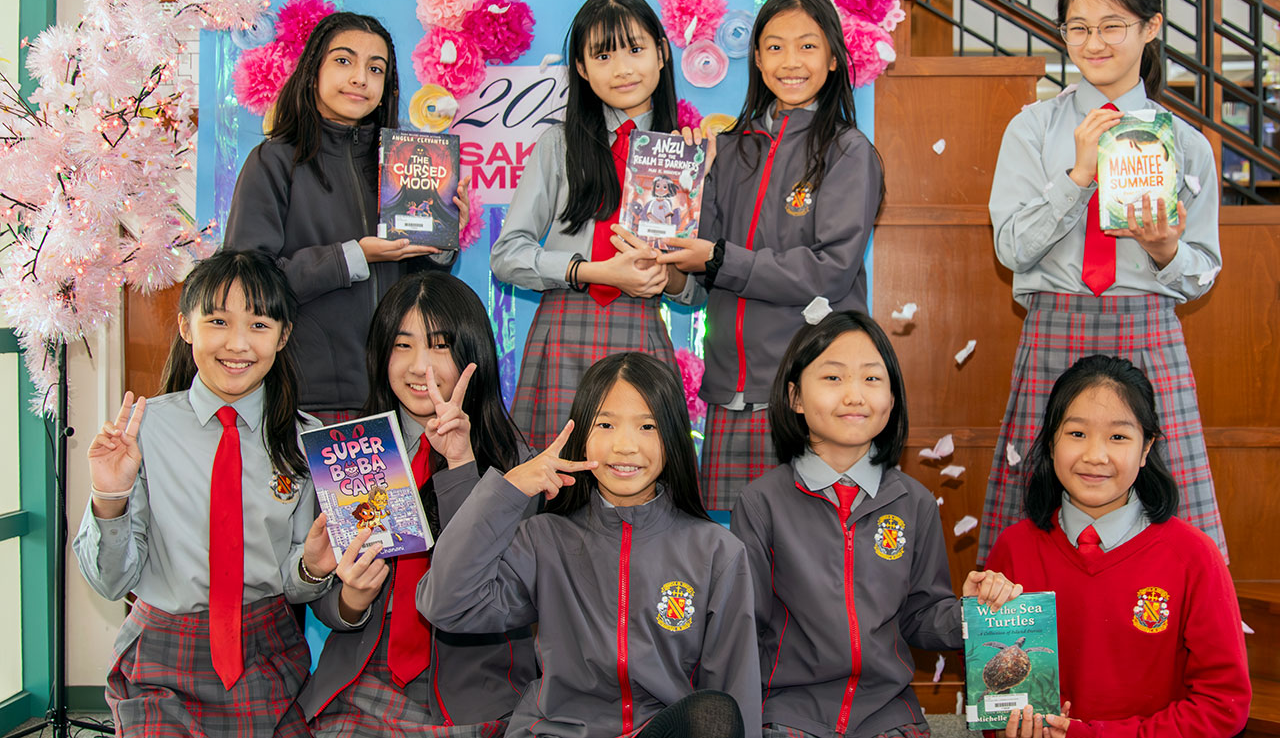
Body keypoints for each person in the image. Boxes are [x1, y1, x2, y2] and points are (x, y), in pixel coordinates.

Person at [981, 0, 1225, 563]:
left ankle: (1162, 644)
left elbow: (1202, 271)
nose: (1094, 41)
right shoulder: (1033, 129)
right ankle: (1027, 646)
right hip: (1054, 323)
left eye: (1113, 24)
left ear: (1151, 27)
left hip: (1146, 326)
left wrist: (1167, 250)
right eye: (1079, 26)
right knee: (1037, 505)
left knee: (1168, 507)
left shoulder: (1187, 145)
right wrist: (1077, 177)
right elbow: (1010, 248)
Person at [419, 352, 761, 738]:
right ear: (581, 436)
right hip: (556, 731)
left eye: (647, 426)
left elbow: (733, 693)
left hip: (657, 730)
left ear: (674, 436)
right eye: (606, 424)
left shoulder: (717, 552)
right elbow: (446, 605)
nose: (626, 446)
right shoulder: (543, 538)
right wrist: (508, 490)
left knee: (714, 713)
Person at [73, 249, 338, 736]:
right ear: (185, 327)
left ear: (283, 336)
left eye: (259, 325)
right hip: (159, 661)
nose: (237, 344)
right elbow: (112, 584)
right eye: (217, 321)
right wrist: (108, 497)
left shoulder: (306, 437)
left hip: (268, 655)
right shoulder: (143, 429)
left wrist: (312, 566)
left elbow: (293, 581)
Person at [733, 311, 1023, 738]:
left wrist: (970, 613)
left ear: (892, 397)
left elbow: (920, 616)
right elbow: (744, 628)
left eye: (872, 379)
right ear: (794, 397)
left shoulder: (915, 501)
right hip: (791, 712)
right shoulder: (761, 503)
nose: (855, 396)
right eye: (833, 378)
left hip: (890, 712)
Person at [658, 0, 884, 510]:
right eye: (775, 47)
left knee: (810, 566)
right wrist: (688, 199)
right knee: (731, 567)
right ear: (756, 58)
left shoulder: (848, 152)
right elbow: (699, 267)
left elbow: (829, 271)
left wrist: (719, 260)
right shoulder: (730, 149)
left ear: (833, 57)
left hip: (806, 400)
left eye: (807, 46)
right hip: (729, 398)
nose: (790, 62)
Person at [300, 272, 537, 737]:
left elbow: (493, 588)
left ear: (472, 353)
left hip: (472, 692)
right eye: (402, 346)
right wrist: (351, 598)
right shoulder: (356, 452)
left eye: (440, 345)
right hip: (364, 680)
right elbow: (329, 609)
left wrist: (461, 465)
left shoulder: (517, 463)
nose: (418, 367)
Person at [224, 11, 470, 424]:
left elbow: (421, 288)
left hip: (396, 397)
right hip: (308, 397)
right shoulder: (274, 161)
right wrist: (354, 257)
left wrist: (442, 241)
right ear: (312, 70)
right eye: (344, 61)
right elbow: (248, 287)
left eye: (376, 69)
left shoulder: (402, 163)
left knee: (395, 494)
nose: (360, 78)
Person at [987, 355, 1250, 738]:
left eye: (1118, 436)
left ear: (1146, 449)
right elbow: (992, 692)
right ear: (1050, 442)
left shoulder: (1194, 557)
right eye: (1077, 434)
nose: (1095, 456)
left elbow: (1222, 707)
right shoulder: (1014, 547)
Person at [491, 0, 693, 450]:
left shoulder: (684, 152)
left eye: (636, 49)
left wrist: (668, 277)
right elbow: (506, 256)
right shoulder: (558, 146)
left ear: (662, 53)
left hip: (640, 326)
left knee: (641, 475)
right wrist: (591, 271)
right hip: (563, 330)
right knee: (555, 484)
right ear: (580, 68)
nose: (622, 69)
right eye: (602, 55)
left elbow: (696, 288)